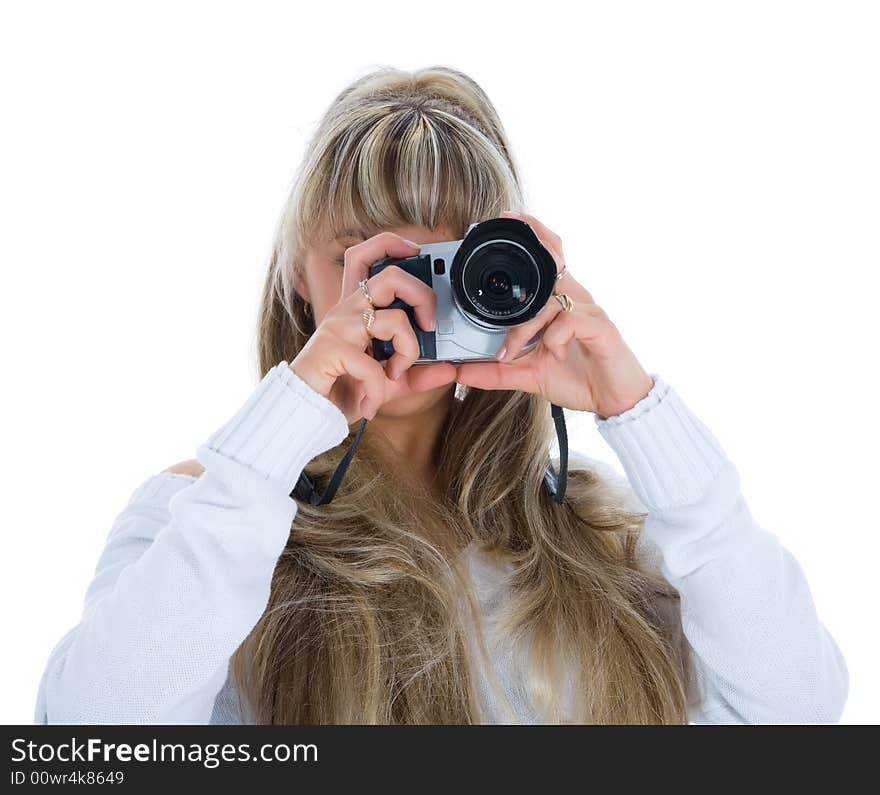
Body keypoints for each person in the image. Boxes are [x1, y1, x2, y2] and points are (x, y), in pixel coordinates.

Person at [35, 65, 848, 724]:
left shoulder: (608, 534)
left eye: (453, 264)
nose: (415, 302)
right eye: (373, 260)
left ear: (512, 277)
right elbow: (94, 743)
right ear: (295, 279)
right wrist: (281, 428)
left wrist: (639, 411)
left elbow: (800, 712)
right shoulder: (210, 516)